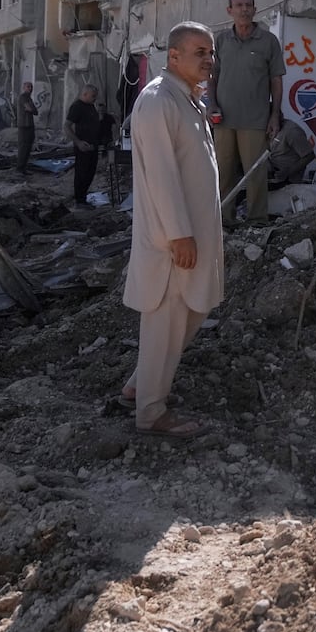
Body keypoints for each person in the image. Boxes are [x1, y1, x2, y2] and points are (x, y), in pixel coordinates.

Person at [120, 22, 222, 439]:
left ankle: (138, 386)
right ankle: (150, 413)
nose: (208, 60)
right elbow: (162, 176)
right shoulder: (158, 101)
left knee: (194, 309)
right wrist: (179, 234)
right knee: (167, 319)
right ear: (173, 56)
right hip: (172, 241)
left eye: (211, 52)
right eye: (199, 52)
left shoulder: (188, 100)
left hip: (194, 237)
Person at [209, 0, 285, 222]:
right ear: (229, 10)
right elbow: (212, 76)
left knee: (255, 174)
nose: (244, 9)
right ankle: (223, 220)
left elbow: (276, 80)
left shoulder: (268, 41)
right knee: (223, 173)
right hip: (223, 121)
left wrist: (274, 115)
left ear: (254, 9)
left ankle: (257, 221)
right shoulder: (220, 40)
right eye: (239, 5)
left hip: (255, 120)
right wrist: (211, 105)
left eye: (248, 5)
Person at [66, 85, 102, 205]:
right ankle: (79, 200)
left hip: (93, 146)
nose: (95, 98)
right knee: (82, 174)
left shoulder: (90, 106)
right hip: (83, 147)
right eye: (93, 96)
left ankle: (83, 197)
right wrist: (78, 142)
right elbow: (66, 126)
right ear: (85, 94)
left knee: (90, 173)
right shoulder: (77, 107)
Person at [15, 82, 38, 175]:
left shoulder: (29, 98)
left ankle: (23, 168)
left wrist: (32, 109)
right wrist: (31, 109)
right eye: (28, 87)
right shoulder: (23, 97)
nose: (30, 88)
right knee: (23, 148)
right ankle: (19, 168)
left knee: (28, 148)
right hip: (23, 126)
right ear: (23, 88)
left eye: (31, 87)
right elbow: (31, 109)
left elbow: (35, 112)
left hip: (30, 126)